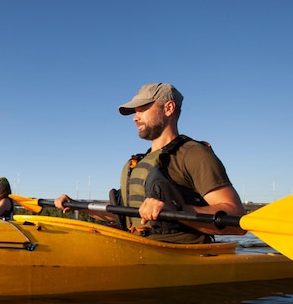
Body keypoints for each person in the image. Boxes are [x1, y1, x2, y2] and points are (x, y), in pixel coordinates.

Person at [55, 83, 246, 244]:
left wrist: (175, 210)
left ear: (168, 108)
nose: (135, 117)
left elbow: (236, 218)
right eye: (135, 111)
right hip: (139, 245)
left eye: (143, 109)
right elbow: (123, 213)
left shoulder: (193, 154)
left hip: (180, 254)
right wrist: (76, 205)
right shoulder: (139, 162)